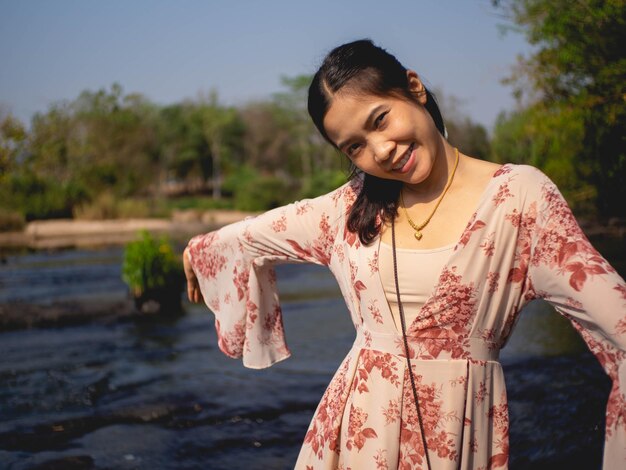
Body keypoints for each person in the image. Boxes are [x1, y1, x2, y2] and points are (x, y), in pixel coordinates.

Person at [183, 39, 626, 469]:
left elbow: (615, 320)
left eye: (380, 120)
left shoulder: (519, 200)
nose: (381, 152)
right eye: (355, 146)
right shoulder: (348, 210)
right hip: (354, 436)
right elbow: (251, 235)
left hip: (460, 436)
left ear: (414, 88)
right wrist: (199, 252)